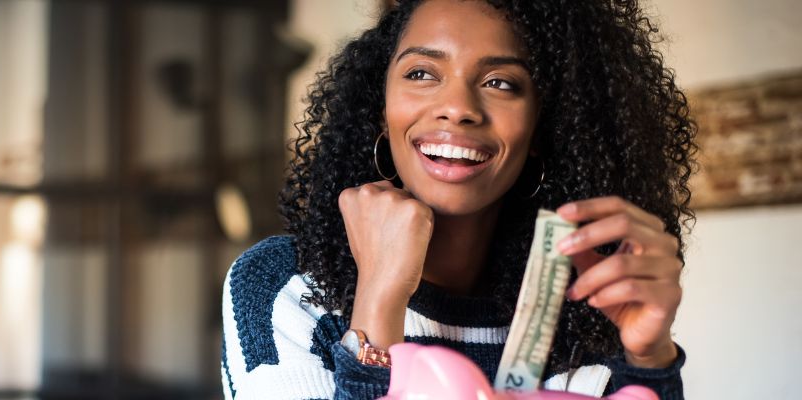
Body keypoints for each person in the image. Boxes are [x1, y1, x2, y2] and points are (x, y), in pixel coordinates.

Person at [220, 0, 695, 399]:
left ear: (543, 127)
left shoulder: (584, 298)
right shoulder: (284, 285)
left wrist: (649, 358)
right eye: (423, 72)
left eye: (500, 82)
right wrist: (379, 300)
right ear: (380, 110)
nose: (458, 108)